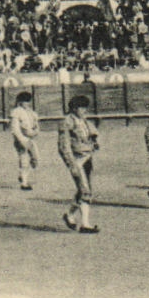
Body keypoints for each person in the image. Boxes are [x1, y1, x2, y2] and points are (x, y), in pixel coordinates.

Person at [58, 95, 100, 233]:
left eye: (85, 107)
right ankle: (85, 224)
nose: (84, 110)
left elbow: (93, 133)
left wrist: (94, 141)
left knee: (84, 190)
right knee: (85, 191)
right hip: (77, 159)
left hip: (87, 158)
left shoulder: (84, 121)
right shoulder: (67, 122)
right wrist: (71, 164)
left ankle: (70, 215)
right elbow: (64, 146)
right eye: (81, 107)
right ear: (74, 108)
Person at [9, 90, 41, 191]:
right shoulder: (16, 112)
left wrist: (35, 132)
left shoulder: (31, 112)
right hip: (21, 139)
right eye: (25, 101)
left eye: (28, 101)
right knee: (24, 161)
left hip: (30, 139)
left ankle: (21, 175)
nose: (27, 103)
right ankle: (24, 183)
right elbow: (15, 129)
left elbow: (36, 126)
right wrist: (22, 141)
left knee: (36, 160)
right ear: (20, 102)